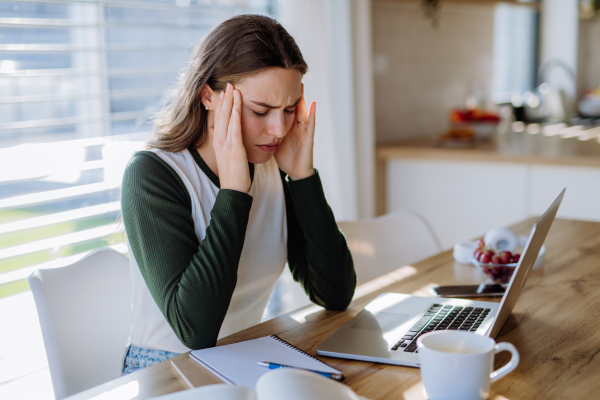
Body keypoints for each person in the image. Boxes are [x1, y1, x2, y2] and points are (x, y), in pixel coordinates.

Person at [120, 14, 356, 374]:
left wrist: (304, 177)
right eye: (260, 111)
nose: (278, 129)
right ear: (208, 97)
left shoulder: (271, 166)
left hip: (245, 358)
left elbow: (335, 294)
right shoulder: (153, 176)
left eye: (290, 109)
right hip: (167, 370)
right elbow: (194, 330)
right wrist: (233, 192)